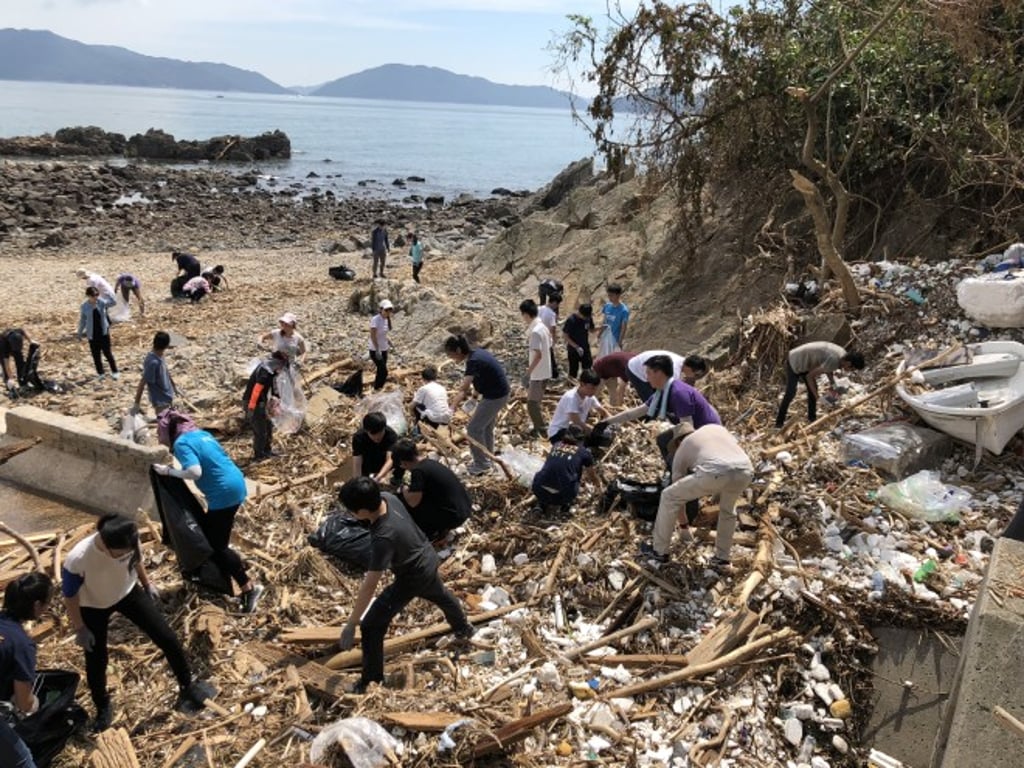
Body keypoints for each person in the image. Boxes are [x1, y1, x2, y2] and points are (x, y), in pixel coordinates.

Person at [62, 514, 215, 731]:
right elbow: (69, 596)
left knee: (167, 638)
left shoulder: (128, 539)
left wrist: (147, 583)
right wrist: (79, 628)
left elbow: (137, 559)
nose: (126, 554)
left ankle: (187, 685)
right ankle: (103, 705)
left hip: (128, 593)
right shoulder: (78, 559)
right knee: (97, 660)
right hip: (93, 606)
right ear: (105, 545)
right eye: (121, 553)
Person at [336, 477, 474, 693]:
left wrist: (352, 623)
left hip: (412, 575)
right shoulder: (387, 497)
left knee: (371, 625)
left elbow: (370, 584)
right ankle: (463, 628)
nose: (350, 514)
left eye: (352, 510)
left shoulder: (384, 537)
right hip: (427, 556)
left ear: (362, 510)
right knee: (439, 593)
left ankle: (371, 680)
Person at [153, 410, 264, 613]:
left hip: (224, 494)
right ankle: (224, 579)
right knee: (211, 534)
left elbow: (195, 472)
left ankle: (248, 588)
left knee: (216, 546)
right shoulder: (202, 434)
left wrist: (169, 472)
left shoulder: (181, 444)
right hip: (236, 484)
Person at [638, 423, 754, 568]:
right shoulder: (715, 428)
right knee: (727, 511)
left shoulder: (682, 448)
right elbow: (729, 457)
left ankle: (659, 553)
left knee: (668, 496)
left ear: (678, 441)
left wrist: (684, 525)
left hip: (715, 471)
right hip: (745, 470)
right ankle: (722, 559)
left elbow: (677, 498)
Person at [602, 354, 721, 466]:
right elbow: (636, 412)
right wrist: (606, 422)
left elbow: (687, 428)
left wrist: (681, 454)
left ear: (658, 373)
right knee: (663, 440)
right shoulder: (661, 393)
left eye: (648, 373)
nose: (647, 378)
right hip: (694, 429)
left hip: (707, 431)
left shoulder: (678, 393)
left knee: (673, 455)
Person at [0, 572, 52, 768]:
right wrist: (35, 703)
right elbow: (24, 702)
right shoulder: (21, 645)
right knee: (22, 760)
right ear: (37, 606)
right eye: (47, 603)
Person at [445, 335, 510, 477]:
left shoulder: (473, 361)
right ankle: (489, 459)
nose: (451, 358)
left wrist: (451, 408)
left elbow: (463, 389)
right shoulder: (477, 354)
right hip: (499, 393)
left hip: (495, 397)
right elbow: (481, 378)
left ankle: (482, 464)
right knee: (486, 427)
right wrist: (474, 398)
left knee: (473, 429)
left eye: (451, 354)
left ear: (458, 350)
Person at [392, 439, 472, 542]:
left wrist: (404, 489)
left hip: (454, 517)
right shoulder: (429, 463)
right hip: (464, 508)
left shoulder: (418, 471)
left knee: (404, 502)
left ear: (403, 462)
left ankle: (429, 533)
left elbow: (413, 502)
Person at [775, 342, 865, 428]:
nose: (849, 371)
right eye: (852, 369)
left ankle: (812, 419)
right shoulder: (835, 359)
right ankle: (779, 423)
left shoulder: (842, 354)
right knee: (791, 392)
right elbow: (809, 377)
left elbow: (828, 368)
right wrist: (818, 397)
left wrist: (833, 384)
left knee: (812, 391)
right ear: (849, 364)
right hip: (795, 360)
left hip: (805, 362)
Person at [531, 425, 595, 515]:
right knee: (575, 473)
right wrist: (599, 485)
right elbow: (592, 476)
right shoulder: (584, 452)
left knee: (548, 473)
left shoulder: (556, 445)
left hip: (538, 490)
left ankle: (541, 504)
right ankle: (565, 505)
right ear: (580, 439)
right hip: (563, 495)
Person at [242, 351, 287, 460]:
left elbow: (273, 387)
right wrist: (251, 408)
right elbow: (257, 390)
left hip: (262, 403)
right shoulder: (265, 372)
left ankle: (267, 450)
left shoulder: (270, 370)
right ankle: (259, 455)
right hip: (253, 403)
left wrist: (276, 399)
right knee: (260, 431)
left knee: (268, 427)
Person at [547, 370, 610, 444]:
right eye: (591, 388)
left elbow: (603, 412)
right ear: (582, 384)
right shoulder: (571, 397)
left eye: (595, 389)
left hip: (577, 431)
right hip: (559, 432)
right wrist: (591, 429)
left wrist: (612, 421)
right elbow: (576, 422)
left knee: (603, 439)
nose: (594, 391)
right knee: (585, 442)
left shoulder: (590, 397)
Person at [520, 299, 552, 437]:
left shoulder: (535, 332)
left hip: (538, 373)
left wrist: (528, 374)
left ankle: (541, 430)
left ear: (526, 314)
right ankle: (540, 427)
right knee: (536, 402)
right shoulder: (543, 327)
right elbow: (550, 345)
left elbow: (537, 355)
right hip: (545, 370)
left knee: (532, 404)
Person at [626, 351, 708, 401]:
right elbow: (671, 392)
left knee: (657, 399)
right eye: (695, 374)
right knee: (651, 402)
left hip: (646, 369)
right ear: (689, 367)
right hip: (636, 370)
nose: (694, 376)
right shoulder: (674, 369)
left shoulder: (680, 361)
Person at [77, 286, 119, 381]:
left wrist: (109, 294)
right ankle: (101, 373)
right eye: (93, 295)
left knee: (108, 353)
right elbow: (83, 320)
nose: (96, 297)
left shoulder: (101, 302)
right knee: (96, 355)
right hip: (92, 334)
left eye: (97, 294)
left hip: (103, 332)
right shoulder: (84, 307)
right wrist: (79, 333)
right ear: (88, 296)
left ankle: (115, 371)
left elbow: (113, 303)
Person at [133, 331, 176, 415]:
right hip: (160, 401)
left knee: (169, 423)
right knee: (164, 425)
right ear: (166, 346)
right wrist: (136, 404)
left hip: (168, 396)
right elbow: (142, 383)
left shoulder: (160, 355)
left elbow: (166, 371)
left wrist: (174, 386)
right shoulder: (152, 362)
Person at [351, 412, 399, 484]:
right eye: (373, 434)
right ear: (366, 431)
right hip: (368, 461)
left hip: (383, 461)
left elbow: (390, 459)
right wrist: (357, 482)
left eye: (380, 433)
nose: (377, 437)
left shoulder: (391, 435)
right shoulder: (359, 437)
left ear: (384, 428)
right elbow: (357, 461)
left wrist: (379, 477)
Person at [563, 303, 596, 379]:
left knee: (587, 369)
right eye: (584, 316)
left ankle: (586, 385)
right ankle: (571, 387)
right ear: (580, 312)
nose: (585, 318)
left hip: (585, 347)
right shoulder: (571, 320)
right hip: (573, 350)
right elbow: (565, 336)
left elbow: (591, 329)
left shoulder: (588, 318)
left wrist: (602, 328)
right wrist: (576, 347)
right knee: (573, 371)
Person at [369, 299, 394, 391]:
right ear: (381, 309)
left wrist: (389, 341)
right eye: (386, 310)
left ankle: (377, 388)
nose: (388, 312)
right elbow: (373, 335)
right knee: (384, 371)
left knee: (380, 371)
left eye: (389, 310)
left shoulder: (386, 320)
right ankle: (378, 388)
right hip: (375, 350)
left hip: (384, 349)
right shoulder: (375, 319)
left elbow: (384, 334)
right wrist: (377, 349)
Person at [0, 328, 34, 394]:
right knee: (5, 368)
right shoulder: (4, 347)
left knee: (20, 363)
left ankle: (23, 382)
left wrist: (30, 341)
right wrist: (11, 378)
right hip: (2, 346)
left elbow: (24, 332)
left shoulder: (18, 332)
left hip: (14, 345)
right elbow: (7, 365)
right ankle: (10, 386)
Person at [537, 291, 562, 379]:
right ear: (554, 302)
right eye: (557, 304)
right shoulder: (552, 314)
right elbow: (553, 329)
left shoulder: (539, 309)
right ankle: (553, 374)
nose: (557, 306)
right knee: (549, 356)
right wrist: (554, 340)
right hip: (545, 338)